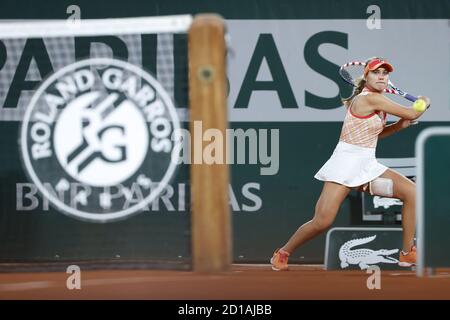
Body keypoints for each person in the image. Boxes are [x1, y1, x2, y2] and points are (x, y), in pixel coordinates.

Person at [270, 57, 431, 271]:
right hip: (344, 165)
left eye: (385, 73)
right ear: (366, 77)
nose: (382, 76)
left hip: (367, 165)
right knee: (322, 221)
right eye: (376, 72)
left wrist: (399, 126)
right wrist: (423, 102)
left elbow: (376, 135)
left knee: (412, 192)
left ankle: (407, 253)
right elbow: (413, 111)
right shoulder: (368, 99)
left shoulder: (376, 101)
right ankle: (283, 252)